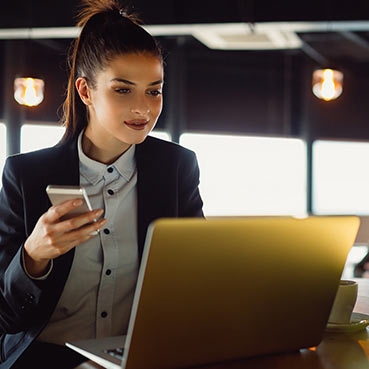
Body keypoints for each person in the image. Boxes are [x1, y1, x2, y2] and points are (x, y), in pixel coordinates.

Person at [0, 0, 204, 368]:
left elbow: (196, 273)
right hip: (46, 359)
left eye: (154, 91)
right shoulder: (26, 175)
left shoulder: (177, 167)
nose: (144, 108)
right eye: (123, 90)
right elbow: (4, 317)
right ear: (85, 91)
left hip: (138, 357)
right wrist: (32, 257)